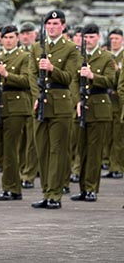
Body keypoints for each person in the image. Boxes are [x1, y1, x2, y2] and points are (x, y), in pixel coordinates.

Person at [29, 10, 80, 209]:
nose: (51, 27)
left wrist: (52, 69)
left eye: (56, 24)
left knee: (57, 151)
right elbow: (32, 74)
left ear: (63, 26)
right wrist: (36, 96)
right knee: (42, 150)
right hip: (40, 104)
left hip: (60, 104)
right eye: (49, 24)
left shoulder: (70, 48)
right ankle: (46, 192)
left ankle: (55, 195)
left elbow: (69, 77)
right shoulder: (36, 47)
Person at [0, 25, 34, 201]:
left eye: (11, 37)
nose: (8, 41)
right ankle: (10, 186)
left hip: (16, 106)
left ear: (17, 38)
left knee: (10, 149)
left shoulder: (24, 57)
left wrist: (6, 74)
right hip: (0, 105)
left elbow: (27, 81)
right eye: (5, 38)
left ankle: (12, 188)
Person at [71, 23, 115, 203]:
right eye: (86, 37)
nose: (88, 40)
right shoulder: (77, 57)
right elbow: (73, 81)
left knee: (94, 151)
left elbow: (111, 81)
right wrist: (77, 101)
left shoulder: (106, 57)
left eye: (91, 37)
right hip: (82, 107)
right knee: (81, 150)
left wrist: (92, 77)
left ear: (98, 37)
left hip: (98, 107)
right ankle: (83, 188)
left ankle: (91, 188)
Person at [17, 22, 39, 189]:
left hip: (33, 97)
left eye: (28, 33)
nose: (25, 36)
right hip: (18, 99)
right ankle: (20, 171)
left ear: (35, 34)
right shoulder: (16, 53)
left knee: (32, 139)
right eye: (23, 33)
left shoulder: (39, 51)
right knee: (19, 140)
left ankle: (29, 174)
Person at [105, 28, 124, 179]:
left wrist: (117, 71)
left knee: (118, 136)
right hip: (107, 101)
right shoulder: (107, 56)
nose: (114, 42)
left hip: (119, 101)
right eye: (112, 39)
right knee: (108, 136)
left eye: (116, 39)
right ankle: (111, 165)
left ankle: (118, 167)